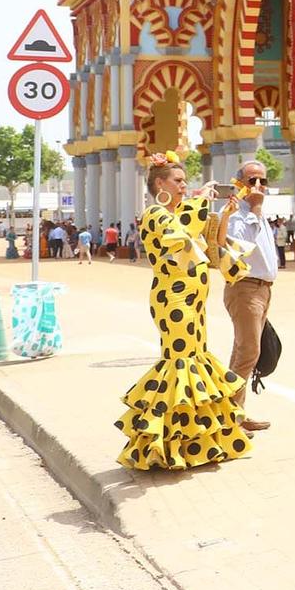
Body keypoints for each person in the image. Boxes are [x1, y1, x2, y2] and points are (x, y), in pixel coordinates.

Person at [113, 153, 256, 470]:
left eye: (184, 182)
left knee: (194, 362)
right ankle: (164, 446)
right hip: (174, 302)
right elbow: (179, 235)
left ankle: (197, 444)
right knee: (180, 364)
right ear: (160, 183)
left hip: (194, 301)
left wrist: (227, 214)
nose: (183, 186)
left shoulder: (184, 216)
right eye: (177, 181)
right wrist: (200, 202)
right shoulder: (155, 215)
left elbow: (214, 247)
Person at [222, 159, 281, 433]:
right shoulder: (235, 215)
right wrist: (254, 209)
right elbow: (240, 248)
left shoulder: (258, 215)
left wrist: (257, 211)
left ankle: (235, 413)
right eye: (251, 181)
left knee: (242, 352)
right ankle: (228, 418)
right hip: (245, 288)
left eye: (262, 181)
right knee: (249, 352)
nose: (258, 186)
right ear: (239, 184)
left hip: (262, 290)